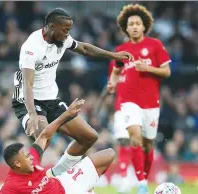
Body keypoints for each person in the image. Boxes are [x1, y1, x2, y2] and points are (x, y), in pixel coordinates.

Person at [12, 7, 133, 178]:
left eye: (69, 30)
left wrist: (113, 55)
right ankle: (20, 182)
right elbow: (28, 84)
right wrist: (32, 114)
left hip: (51, 99)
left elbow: (84, 48)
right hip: (28, 100)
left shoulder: (62, 39)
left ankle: (55, 175)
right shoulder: (31, 48)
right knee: (43, 136)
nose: (67, 34)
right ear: (52, 27)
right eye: (65, 30)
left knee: (89, 137)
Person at [0, 99, 158, 194]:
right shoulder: (12, 185)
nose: (31, 157)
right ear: (17, 164)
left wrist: (65, 115)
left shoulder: (32, 159)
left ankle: (88, 187)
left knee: (109, 153)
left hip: (67, 181)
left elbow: (45, 135)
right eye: (26, 156)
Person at [107, 4, 171, 194]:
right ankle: (141, 183)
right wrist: (113, 82)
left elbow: (166, 72)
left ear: (144, 27)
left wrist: (148, 69)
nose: (134, 26)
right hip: (128, 102)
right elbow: (117, 70)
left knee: (147, 144)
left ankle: (144, 179)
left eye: (137, 23)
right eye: (130, 24)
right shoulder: (122, 50)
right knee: (133, 136)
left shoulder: (155, 45)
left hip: (151, 103)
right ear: (126, 28)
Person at [108, 60, 132, 194]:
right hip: (120, 109)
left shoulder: (140, 63)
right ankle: (124, 180)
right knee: (123, 143)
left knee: (136, 143)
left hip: (137, 108)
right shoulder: (114, 63)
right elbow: (112, 85)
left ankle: (138, 178)